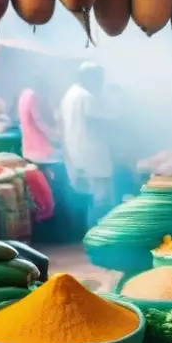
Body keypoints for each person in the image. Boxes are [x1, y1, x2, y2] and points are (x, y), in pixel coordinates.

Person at [61, 62, 114, 226]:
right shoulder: (86, 97)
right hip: (91, 154)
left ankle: (86, 232)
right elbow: (96, 122)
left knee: (86, 195)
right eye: (100, 78)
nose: (101, 83)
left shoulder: (70, 93)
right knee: (100, 197)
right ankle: (99, 232)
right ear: (90, 78)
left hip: (76, 152)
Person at [18, 88, 59, 163]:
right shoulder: (33, 97)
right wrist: (54, 135)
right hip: (39, 149)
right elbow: (38, 121)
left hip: (27, 148)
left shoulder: (24, 95)